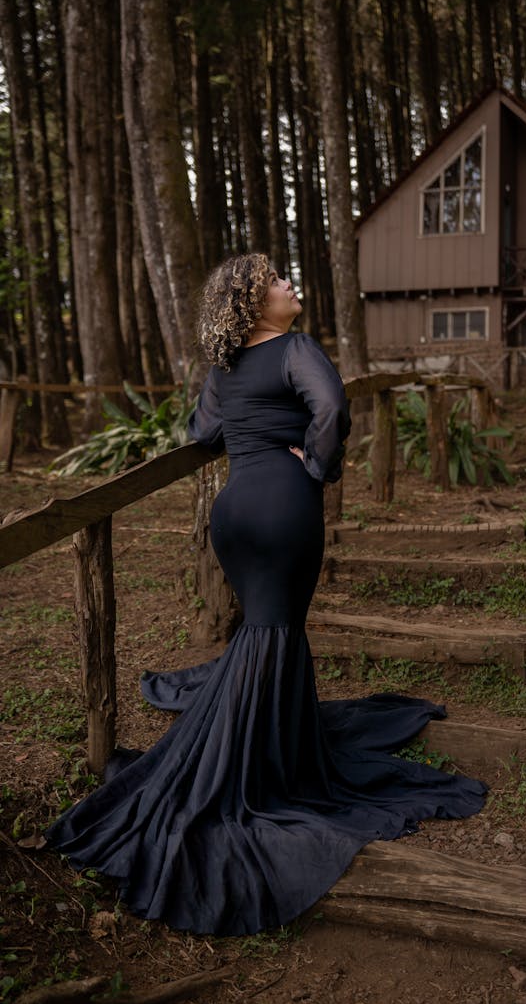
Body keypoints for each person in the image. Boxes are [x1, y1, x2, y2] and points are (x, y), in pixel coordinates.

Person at [45, 253, 486, 936]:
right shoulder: (295, 348)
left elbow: (202, 433)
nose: (289, 282)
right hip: (284, 506)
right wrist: (315, 463)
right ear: (254, 304)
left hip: (234, 513)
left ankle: (265, 742)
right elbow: (333, 406)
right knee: (276, 630)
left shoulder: (225, 366)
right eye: (276, 279)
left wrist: (256, 435)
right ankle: (258, 768)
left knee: (263, 629)